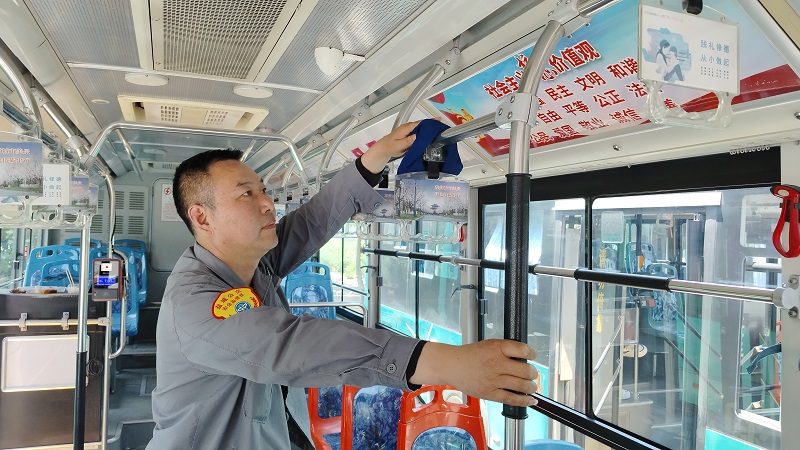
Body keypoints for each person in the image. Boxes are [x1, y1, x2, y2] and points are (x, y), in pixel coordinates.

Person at [146, 121, 539, 449]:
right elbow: (289, 345)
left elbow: (311, 222)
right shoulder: (194, 302)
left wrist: (376, 157)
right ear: (202, 217)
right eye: (247, 194)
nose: (267, 203)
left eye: (263, 189)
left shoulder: (253, 263)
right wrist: (449, 363)